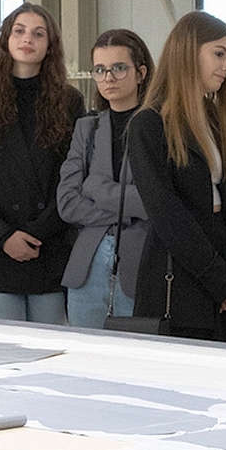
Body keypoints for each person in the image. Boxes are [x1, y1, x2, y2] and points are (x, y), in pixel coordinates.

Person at [126, 11, 226, 344]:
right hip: (178, 280)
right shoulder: (148, 125)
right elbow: (168, 216)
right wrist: (225, 283)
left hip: (225, 275)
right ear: (187, 52)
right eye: (219, 54)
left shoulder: (216, 120)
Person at [0, 2, 82, 323]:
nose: (28, 39)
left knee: (49, 350)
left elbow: (73, 178)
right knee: (2, 349)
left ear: (50, 45)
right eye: (20, 31)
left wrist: (38, 232)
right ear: (6, 40)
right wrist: (3, 236)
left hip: (49, 246)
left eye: (38, 34)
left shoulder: (69, 102)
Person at [58, 28, 155, 328]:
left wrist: (96, 188)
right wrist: (127, 212)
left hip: (140, 264)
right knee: (83, 353)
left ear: (140, 73)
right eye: (100, 70)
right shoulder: (86, 129)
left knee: (135, 352)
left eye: (119, 68)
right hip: (87, 269)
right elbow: (67, 203)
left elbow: (156, 202)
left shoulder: (159, 127)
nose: (108, 78)